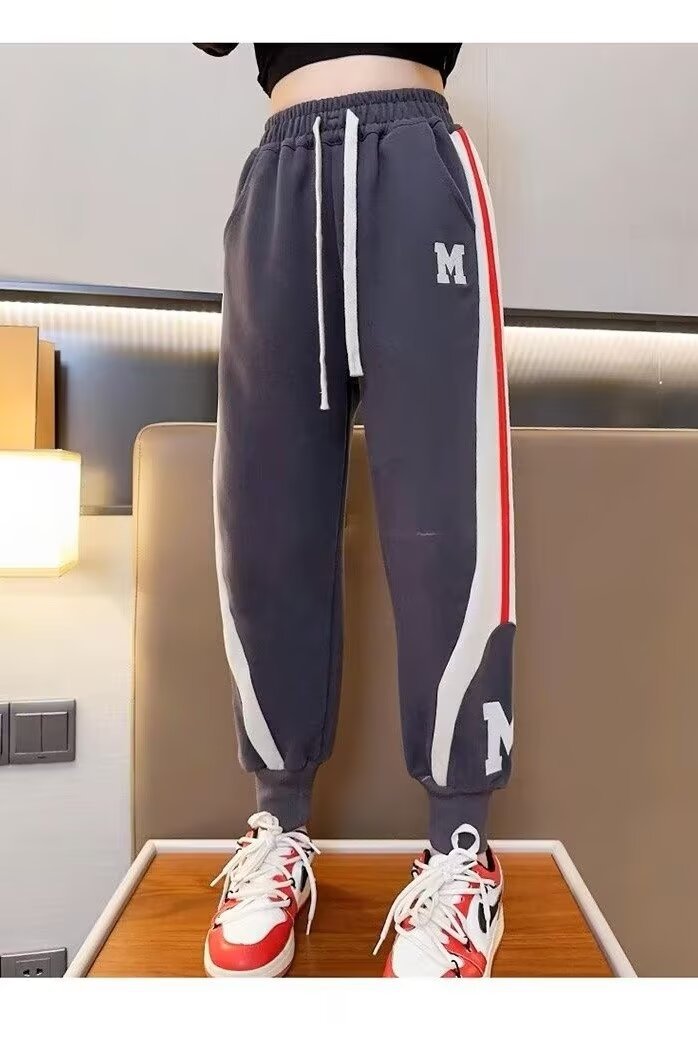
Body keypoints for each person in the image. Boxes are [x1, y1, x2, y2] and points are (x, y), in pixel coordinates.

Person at [195, 43, 515, 979]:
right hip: (281, 174)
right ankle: (278, 829)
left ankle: (462, 853)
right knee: (264, 516)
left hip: (414, 155)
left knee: (444, 517)